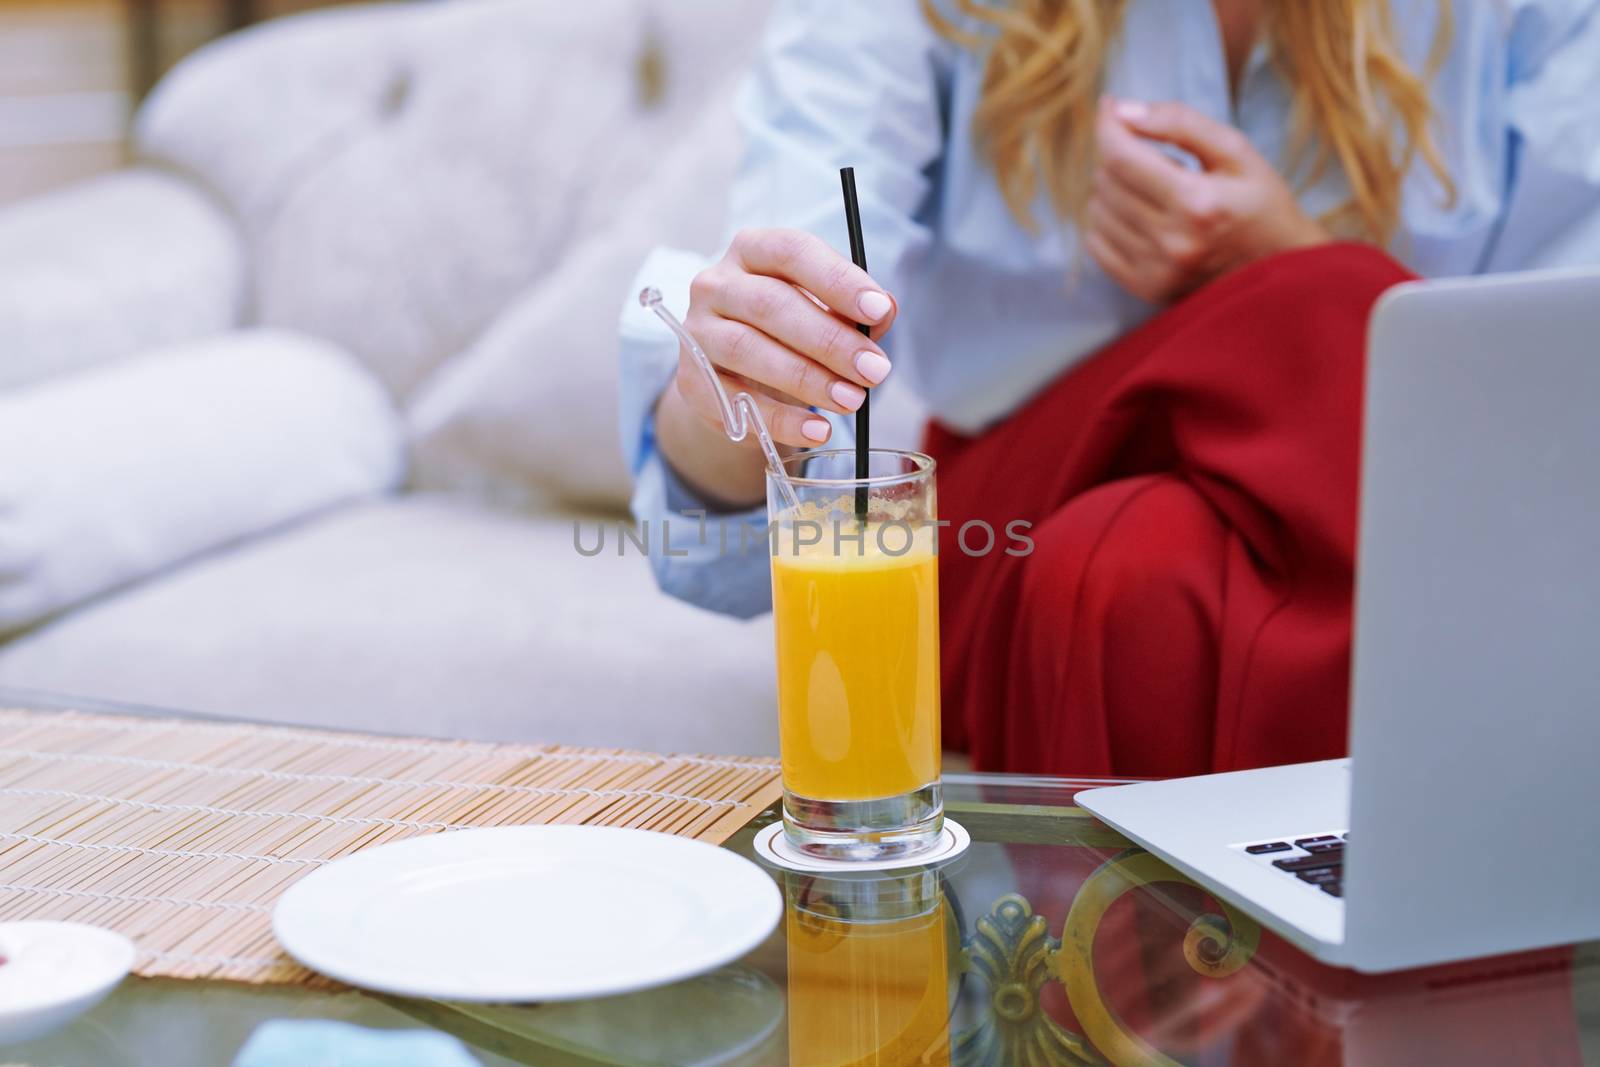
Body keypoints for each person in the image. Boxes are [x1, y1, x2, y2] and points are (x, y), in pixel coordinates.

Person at [617, 0, 1600, 778]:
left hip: (1366, 535)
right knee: (1334, 296)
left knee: (1140, 571)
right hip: (1003, 523)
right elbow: (789, 329)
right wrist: (742, 377)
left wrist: (1274, 260)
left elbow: (1561, 385)